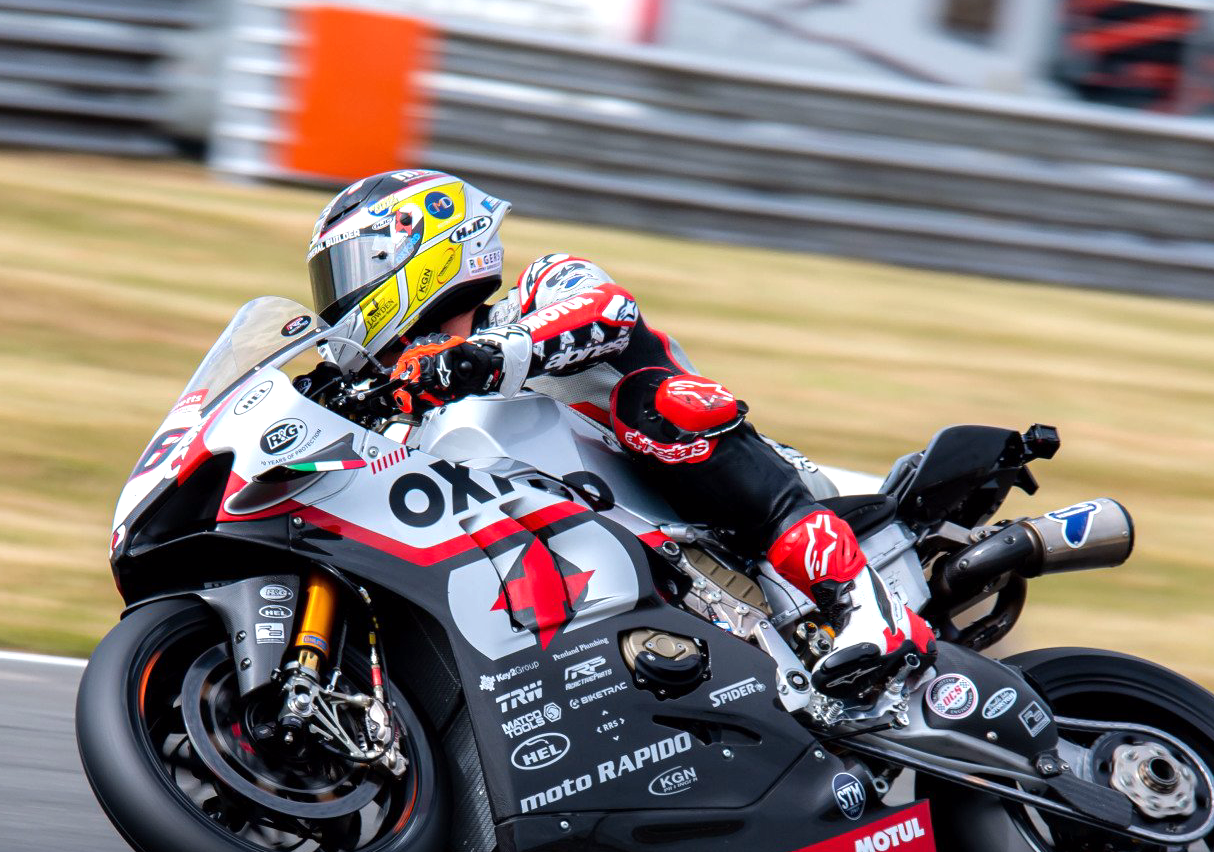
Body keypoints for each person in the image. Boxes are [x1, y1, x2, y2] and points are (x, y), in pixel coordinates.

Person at [306, 169, 933, 701]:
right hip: (586, 577)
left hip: (737, 501)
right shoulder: (405, 405)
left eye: (349, 271)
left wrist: (480, 358)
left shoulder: (543, 287)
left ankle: (863, 605)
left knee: (655, 404)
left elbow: (607, 311)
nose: (339, 298)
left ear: (425, 248)